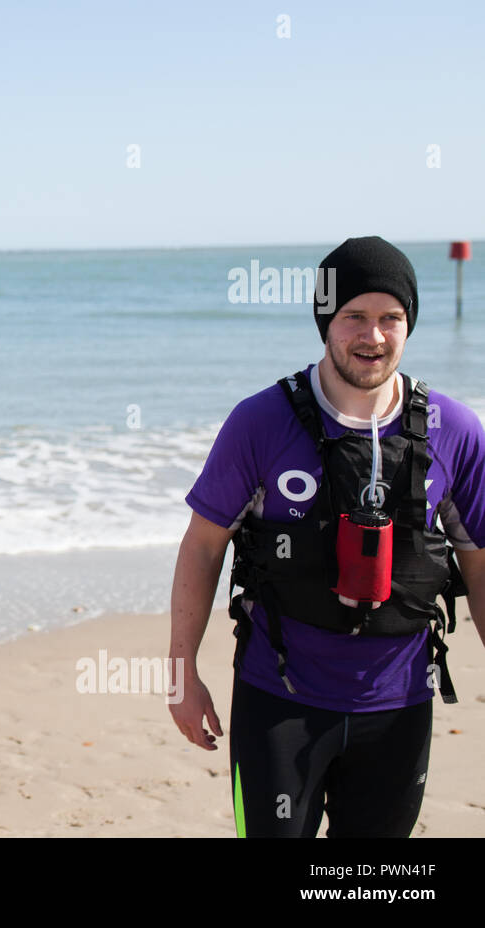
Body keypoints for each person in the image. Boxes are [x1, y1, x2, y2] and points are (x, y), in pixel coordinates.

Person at [168, 236, 485, 838]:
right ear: (324, 323)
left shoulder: (456, 431)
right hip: (279, 700)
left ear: (409, 323)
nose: (373, 336)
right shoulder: (260, 423)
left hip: (399, 706)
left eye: (391, 318)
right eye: (354, 318)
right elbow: (203, 546)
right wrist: (183, 676)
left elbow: (480, 564)